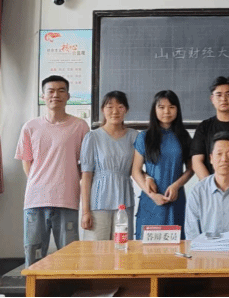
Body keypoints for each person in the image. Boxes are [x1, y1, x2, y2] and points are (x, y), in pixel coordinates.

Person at [15, 75, 89, 267]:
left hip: (67, 198)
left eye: (61, 90)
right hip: (35, 200)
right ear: (43, 96)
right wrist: (40, 182)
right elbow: (27, 162)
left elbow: (85, 164)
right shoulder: (30, 127)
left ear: (68, 96)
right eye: (51, 91)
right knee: (34, 252)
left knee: (69, 254)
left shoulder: (80, 126)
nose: (56, 95)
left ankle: (68, 285)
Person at [132, 90, 193, 239]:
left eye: (171, 107)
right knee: (147, 248)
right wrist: (152, 195)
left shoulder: (184, 136)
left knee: (175, 245)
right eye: (161, 107)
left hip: (175, 198)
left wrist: (176, 185)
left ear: (177, 110)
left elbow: (191, 169)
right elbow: (135, 171)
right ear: (154, 109)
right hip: (151, 199)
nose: (167, 111)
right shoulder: (144, 137)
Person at [80, 91, 139, 241]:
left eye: (120, 107)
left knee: (123, 248)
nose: (115, 111)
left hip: (124, 201)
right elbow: (86, 176)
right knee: (96, 250)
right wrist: (85, 211)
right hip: (98, 202)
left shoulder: (134, 136)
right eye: (110, 106)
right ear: (102, 110)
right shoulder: (92, 137)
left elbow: (137, 169)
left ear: (126, 110)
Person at [190, 76, 229, 180]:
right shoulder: (204, 127)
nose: (223, 99)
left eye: (228, 94)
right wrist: (211, 185)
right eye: (219, 95)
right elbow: (197, 161)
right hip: (209, 186)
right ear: (212, 99)